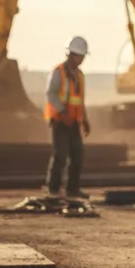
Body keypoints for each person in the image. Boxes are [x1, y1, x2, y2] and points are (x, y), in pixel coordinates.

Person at [45, 36, 90, 199]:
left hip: (74, 121)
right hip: (59, 121)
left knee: (78, 154)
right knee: (60, 155)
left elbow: (80, 100)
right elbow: (51, 94)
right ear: (72, 55)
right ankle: (54, 189)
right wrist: (62, 111)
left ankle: (73, 189)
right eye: (81, 56)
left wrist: (85, 120)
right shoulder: (59, 72)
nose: (82, 59)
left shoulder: (80, 75)